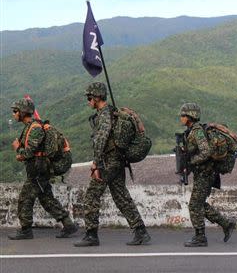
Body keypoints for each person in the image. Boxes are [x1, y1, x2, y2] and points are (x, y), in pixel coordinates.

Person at [74, 82, 150, 247]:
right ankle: (141, 231)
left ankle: (91, 235)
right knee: (121, 196)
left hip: (108, 161)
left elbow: (101, 138)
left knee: (92, 195)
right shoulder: (110, 112)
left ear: (96, 97)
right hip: (117, 160)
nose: (88, 101)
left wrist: (95, 163)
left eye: (89, 98)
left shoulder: (104, 114)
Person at [8, 98, 78, 240]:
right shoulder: (30, 127)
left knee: (25, 198)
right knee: (47, 200)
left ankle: (26, 230)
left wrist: (18, 150)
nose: (14, 114)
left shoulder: (35, 129)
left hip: (39, 171)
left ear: (23, 112)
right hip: (39, 170)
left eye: (15, 111)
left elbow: (29, 153)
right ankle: (68, 224)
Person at [179, 103, 236, 247]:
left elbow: (206, 152)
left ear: (191, 116)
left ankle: (200, 237)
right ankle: (226, 224)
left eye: (183, 115)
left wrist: (192, 161)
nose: (181, 118)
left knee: (194, 205)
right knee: (198, 204)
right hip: (203, 173)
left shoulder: (197, 131)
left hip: (206, 173)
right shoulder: (191, 131)